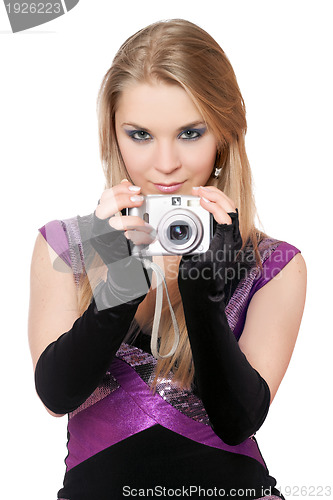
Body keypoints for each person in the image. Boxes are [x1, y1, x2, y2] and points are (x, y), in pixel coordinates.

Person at [28, 19, 307, 500]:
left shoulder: (274, 264)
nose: (166, 163)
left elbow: (237, 421)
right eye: (140, 134)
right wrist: (120, 277)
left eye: (190, 133)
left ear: (224, 130)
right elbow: (57, 395)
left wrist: (204, 293)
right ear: (113, 134)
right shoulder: (66, 246)